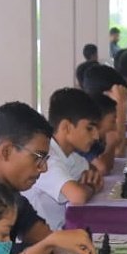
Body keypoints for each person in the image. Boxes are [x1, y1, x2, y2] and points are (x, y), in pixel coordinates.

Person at [0, 102, 95, 254]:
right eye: (38, 158)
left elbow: (44, 236)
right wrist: (51, 243)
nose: (44, 168)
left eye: (45, 160)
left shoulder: (11, 196)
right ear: (6, 151)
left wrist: (58, 240)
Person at [23, 88, 104, 228]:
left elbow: (94, 171)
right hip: (38, 241)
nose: (96, 136)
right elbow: (78, 196)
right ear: (66, 127)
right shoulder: (47, 157)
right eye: (89, 128)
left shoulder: (71, 155)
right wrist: (90, 186)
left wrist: (90, 176)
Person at [81, 63, 127, 164]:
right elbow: (119, 151)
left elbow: (113, 140)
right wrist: (121, 105)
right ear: (107, 95)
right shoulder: (84, 123)